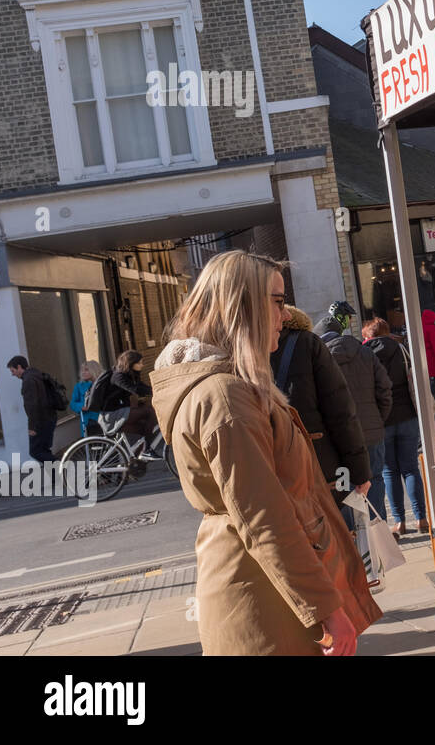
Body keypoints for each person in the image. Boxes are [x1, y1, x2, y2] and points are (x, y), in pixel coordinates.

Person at [151, 251, 379, 656]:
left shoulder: (231, 387)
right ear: (243, 307)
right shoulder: (225, 396)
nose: (286, 315)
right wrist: (326, 608)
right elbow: (264, 517)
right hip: (266, 604)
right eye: (276, 301)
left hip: (272, 594)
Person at [271, 306, 372, 517]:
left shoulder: (237, 350)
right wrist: (360, 472)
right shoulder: (307, 344)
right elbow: (340, 412)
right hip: (322, 469)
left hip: (273, 476)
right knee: (338, 534)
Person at [317, 310, 392, 521]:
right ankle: (380, 532)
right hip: (372, 434)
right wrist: (378, 419)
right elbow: (385, 389)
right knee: (375, 480)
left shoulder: (322, 362)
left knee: (346, 487)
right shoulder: (365, 353)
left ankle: (358, 542)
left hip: (342, 438)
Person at [362, 319, 429, 538]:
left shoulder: (363, 353)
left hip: (382, 419)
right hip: (407, 414)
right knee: (410, 468)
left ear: (368, 335)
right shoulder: (400, 349)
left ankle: (400, 522)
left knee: (389, 471)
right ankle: (421, 518)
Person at [6, 356, 56, 463]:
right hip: (50, 417)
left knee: (36, 451)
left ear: (19, 367)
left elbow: (32, 405)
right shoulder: (37, 374)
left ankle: (64, 465)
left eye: (13, 371)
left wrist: (32, 427)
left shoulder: (28, 380)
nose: (13, 374)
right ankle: (57, 477)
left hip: (41, 421)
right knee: (44, 450)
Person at [70, 360, 103, 438]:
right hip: (87, 421)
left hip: (102, 418)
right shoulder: (79, 386)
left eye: (86, 370)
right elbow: (73, 403)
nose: (83, 372)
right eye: (82, 370)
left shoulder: (101, 384)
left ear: (94, 370)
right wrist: (82, 406)